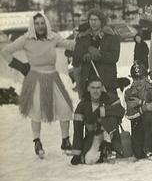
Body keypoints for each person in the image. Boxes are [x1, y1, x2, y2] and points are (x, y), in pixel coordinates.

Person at [1, 12, 76, 157]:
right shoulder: (26, 39)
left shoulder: (52, 37)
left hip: (53, 76)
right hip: (34, 77)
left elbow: (70, 45)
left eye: (42, 23)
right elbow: (5, 51)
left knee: (65, 107)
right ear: (33, 25)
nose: (40, 26)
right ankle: (37, 141)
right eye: (37, 23)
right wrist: (21, 66)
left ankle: (65, 140)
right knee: (36, 110)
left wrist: (79, 37)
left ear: (46, 24)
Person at [70, 74, 125, 165]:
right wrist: (77, 153)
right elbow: (78, 131)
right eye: (93, 88)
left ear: (102, 88)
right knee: (89, 160)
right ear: (88, 88)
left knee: (110, 118)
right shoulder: (82, 105)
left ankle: (112, 148)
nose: (96, 91)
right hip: (94, 136)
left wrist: (103, 111)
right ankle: (102, 152)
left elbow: (121, 111)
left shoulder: (110, 98)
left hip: (111, 134)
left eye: (98, 88)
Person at [73, 8, 121, 93]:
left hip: (107, 80)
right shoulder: (83, 36)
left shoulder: (111, 36)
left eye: (96, 20)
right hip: (88, 80)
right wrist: (84, 57)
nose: (93, 22)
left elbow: (114, 57)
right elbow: (76, 56)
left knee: (110, 105)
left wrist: (98, 55)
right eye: (91, 20)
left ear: (101, 21)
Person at [123, 61, 152, 160]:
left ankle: (149, 149)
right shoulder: (128, 91)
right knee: (138, 154)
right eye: (135, 78)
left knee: (148, 116)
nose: (139, 81)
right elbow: (128, 114)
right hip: (137, 121)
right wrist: (144, 107)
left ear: (146, 77)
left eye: (141, 78)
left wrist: (140, 103)